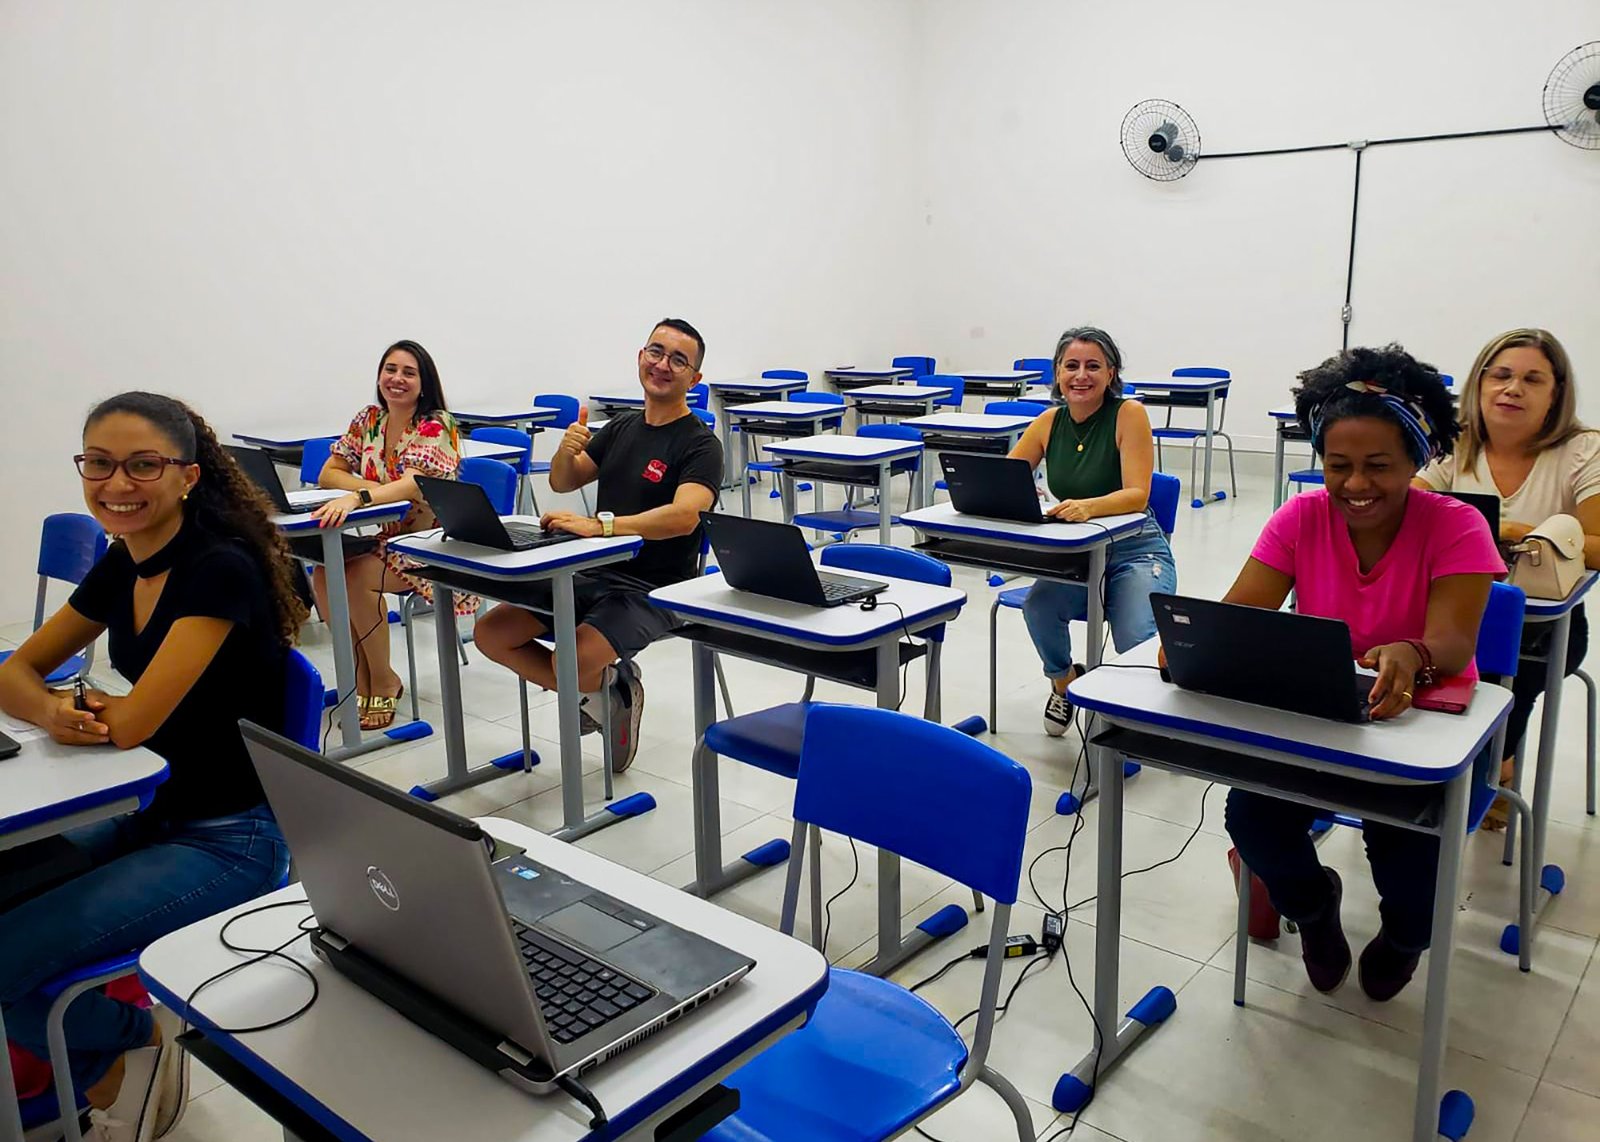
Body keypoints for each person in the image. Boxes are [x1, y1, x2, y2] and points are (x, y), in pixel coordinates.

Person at [0, 392, 304, 1139]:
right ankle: (88, 1059)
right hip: (150, 813)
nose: (116, 484)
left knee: (4, 960)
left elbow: (134, 720)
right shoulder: (124, 559)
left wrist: (74, 702)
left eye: (143, 465)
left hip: (232, 839)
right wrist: (52, 710)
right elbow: (15, 670)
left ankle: (138, 1045)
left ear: (188, 477)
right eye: (98, 464)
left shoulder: (218, 568)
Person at [1219, 345, 1504, 1002]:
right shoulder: (1300, 517)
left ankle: (1403, 938)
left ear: (1417, 460)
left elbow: (1455, 644)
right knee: (1253, 818)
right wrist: (1194, 641)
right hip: (1328, 720)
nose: (1354, 485)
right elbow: (1243, 612)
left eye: (1378, 466)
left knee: (1413, 871)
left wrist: (1416, 653)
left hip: (1426, 735)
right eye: (1337, 466)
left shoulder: (1456, 525)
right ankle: (1315, 906)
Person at [474, 318, 722, 771]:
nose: (662, 365)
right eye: (655, 352)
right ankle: (606, 690)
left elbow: (685, 517)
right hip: (590, 569)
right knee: (490, 633)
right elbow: (563, 481)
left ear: (694, 378)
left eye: (678, 360)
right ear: (640, 357)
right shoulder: (623, 427)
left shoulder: (701, 445)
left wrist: (603, 527)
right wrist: (567, 449)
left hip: (653, 586)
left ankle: (597, 687)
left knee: (571, 661)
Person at [1414, 329, 1599, 825]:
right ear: (1480, 383)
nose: (1512, 388)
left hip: (1537, 630)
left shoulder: (1583, 451)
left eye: (1532, 379)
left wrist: (1522, 533)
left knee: (1496, 687)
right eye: (1501, 375)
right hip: (1444, 612)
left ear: (1556, 393)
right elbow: (1406, 507)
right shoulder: (1455, 442)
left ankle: (1493, 766)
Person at [1006, 326, 1177, 736]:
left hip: (1136, 551)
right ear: (1057, 374)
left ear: (1111, 373)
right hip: (1078, 552)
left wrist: (1089, 507)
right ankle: (1066, 684)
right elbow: (1007, 476)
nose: (1081, 376)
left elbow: (1138, 494)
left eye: (1093, 366)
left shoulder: (1128, 413)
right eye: (1072, 366)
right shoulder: (1048, 421)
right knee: (1039, 607)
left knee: (1135, 638)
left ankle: (1133, 723)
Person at [311, 339, 471, 731]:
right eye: (390, 370)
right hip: (385, 540)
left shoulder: (436, 425)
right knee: (323, 574)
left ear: (424, 382)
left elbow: (414, 485)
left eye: (408, 373)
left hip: (430, 546)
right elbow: (327, 473)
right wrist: (374, 488)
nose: (396, 379)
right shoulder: (369, 419)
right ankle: (361, 673)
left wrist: (359, 495)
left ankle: (382, 679)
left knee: (353, 578)